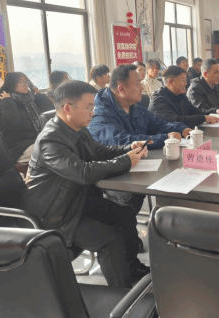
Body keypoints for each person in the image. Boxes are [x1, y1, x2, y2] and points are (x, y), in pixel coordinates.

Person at [21, 80, 150, 288]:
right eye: (89, 107)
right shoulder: (50, 140)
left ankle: (131, 268)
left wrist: (127, 149)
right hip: (54, 215)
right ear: (67, 108)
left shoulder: (77, 128)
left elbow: (99, 152)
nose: (93, 112)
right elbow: (82, 173)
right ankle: (122, 293)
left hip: (75, 201)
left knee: (124, 214)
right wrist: (126, 162)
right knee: (109, 240)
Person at [88, 64, 191, 214]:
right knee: (132, 200)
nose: (142, 88)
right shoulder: (100, 112)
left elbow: (156, 124)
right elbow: (122, 141)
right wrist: (165, 138)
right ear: (121, 89)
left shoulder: (135, 104)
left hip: (139, 164)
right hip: (113, 172)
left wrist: (180, 128)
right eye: (137, 84)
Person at [0, 72, 54, 164]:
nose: (25, 84)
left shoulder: (30, 99)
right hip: (18, 148)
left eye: (26, 82)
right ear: (12, 84)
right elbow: (11, 125)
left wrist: (39, 95)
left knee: (62, 144)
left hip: (36, 141)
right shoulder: (4, 102)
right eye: (21, 82)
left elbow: (51, 113)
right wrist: (7, 101)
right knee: (52, 150)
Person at [149, 66, 219, 127]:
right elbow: (176, 120)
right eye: (183, 80)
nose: (186, 84)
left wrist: (214, 112)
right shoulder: (158, 101)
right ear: (171, 81)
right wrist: (204, 118)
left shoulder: (180, 95)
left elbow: (194, 111)